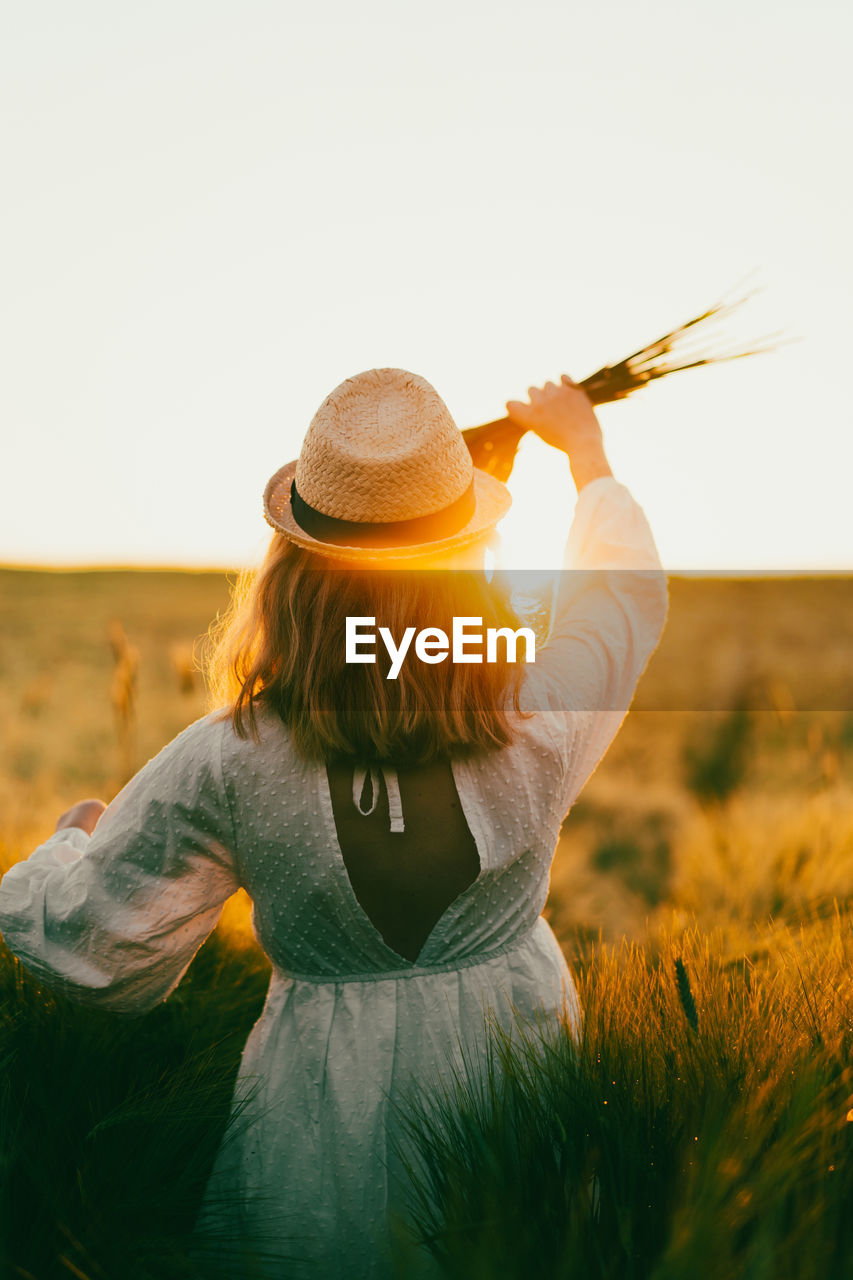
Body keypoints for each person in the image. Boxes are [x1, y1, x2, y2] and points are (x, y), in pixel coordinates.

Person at [0, 368, 668, 1278]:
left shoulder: (229, 758)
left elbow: (96, 953)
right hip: (514, 1083)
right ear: (467, 566)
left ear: (294, 568)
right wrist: (583, 451)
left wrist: (69, 842)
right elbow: (618, 601)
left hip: (315, 1128)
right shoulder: (541, 712)